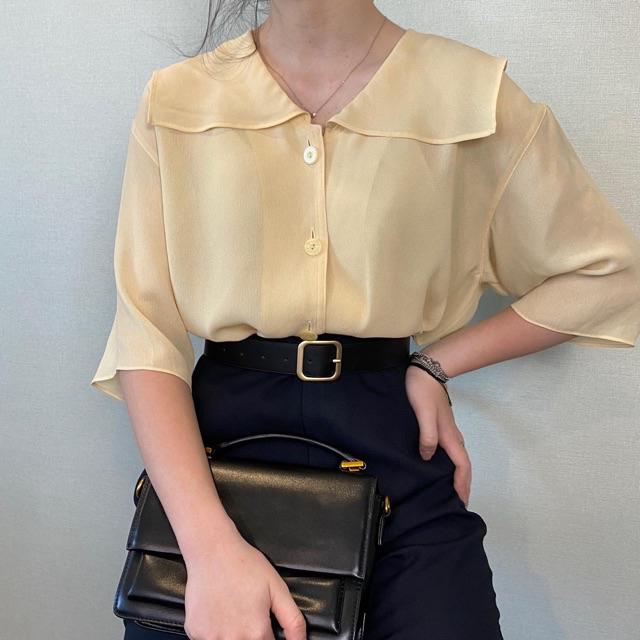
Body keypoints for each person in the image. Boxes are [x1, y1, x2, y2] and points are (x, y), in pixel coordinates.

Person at [90, 2, 640, 639]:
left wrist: (437, 364)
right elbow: (146, 337)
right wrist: (209, 548)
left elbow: (606, 274)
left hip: (392, 441)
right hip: (212, 467)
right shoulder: (177, 100)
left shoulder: (473, 95)